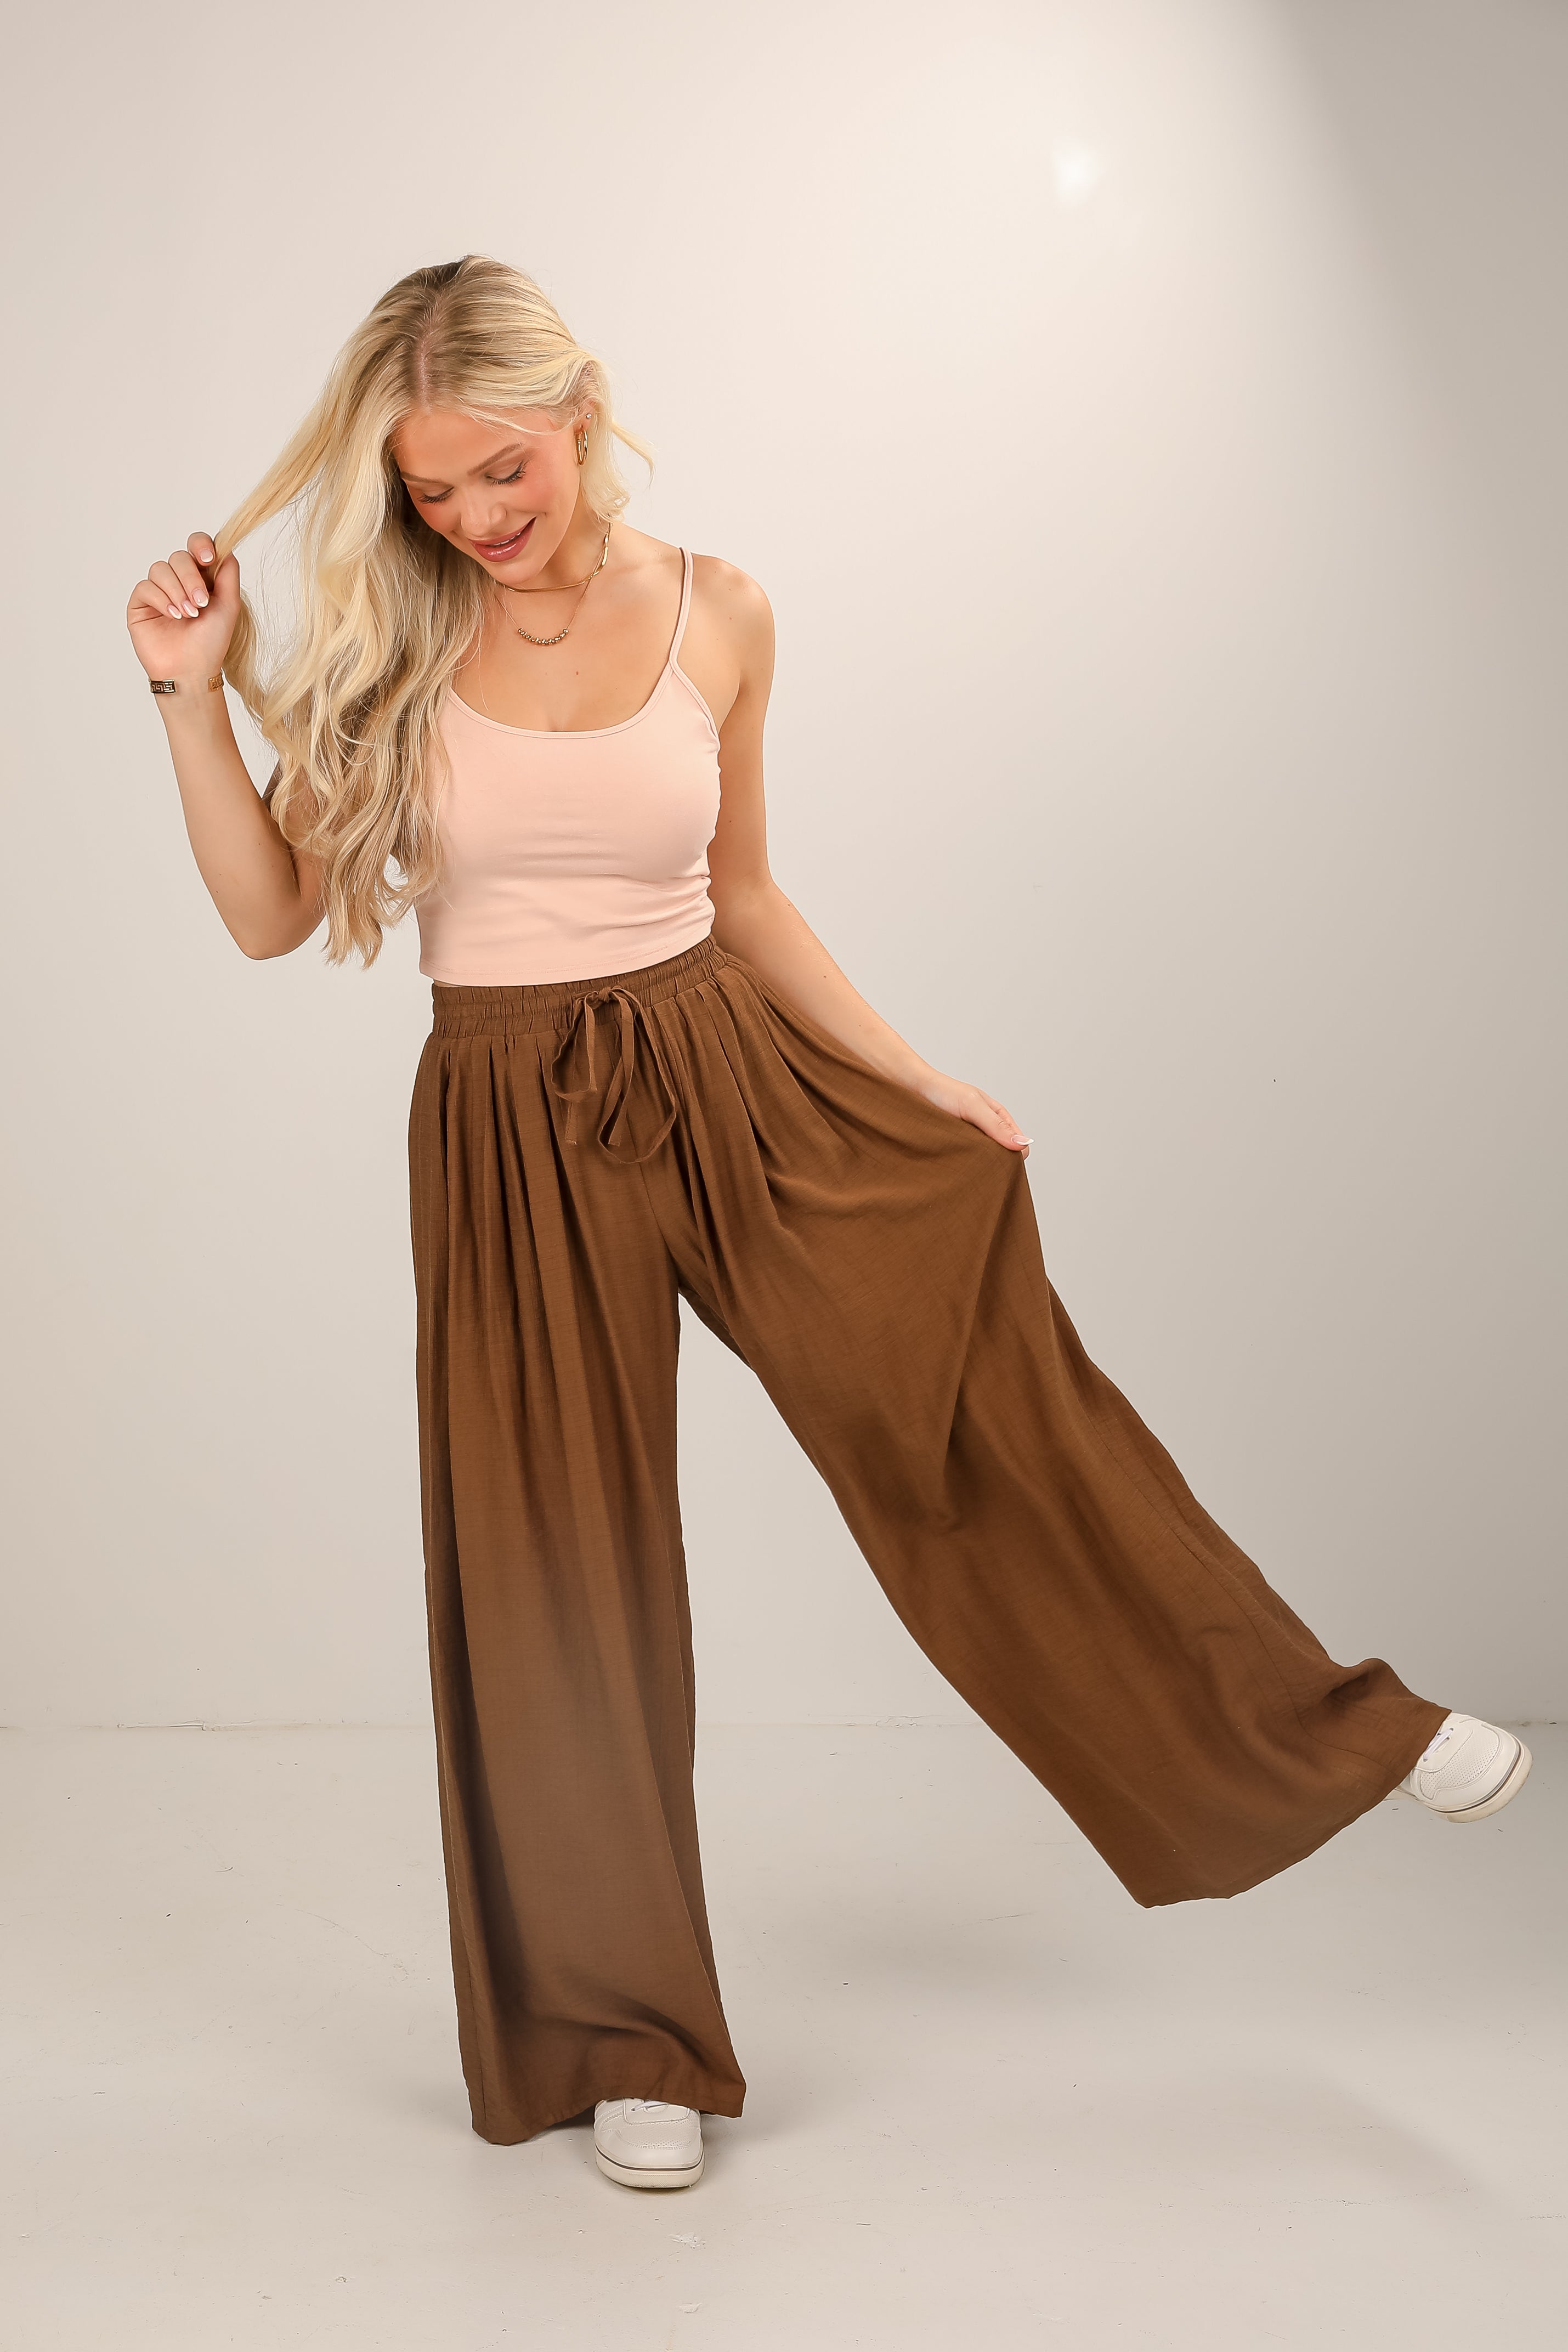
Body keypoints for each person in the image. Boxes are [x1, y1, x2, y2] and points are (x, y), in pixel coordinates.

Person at [126, 255, 1530, 2195]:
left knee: (969, 1415)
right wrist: (188, 698)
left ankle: (1336, 1730)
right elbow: (269, 915)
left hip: (730, 1068)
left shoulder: (720, 609)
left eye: (501, 470)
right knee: (555, 1572)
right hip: (505, 1122)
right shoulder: (396, 639)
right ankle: (625, 2037)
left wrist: (917, 1073)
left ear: (578, 408)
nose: (473, 518)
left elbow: (748, 895)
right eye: (432, 491)